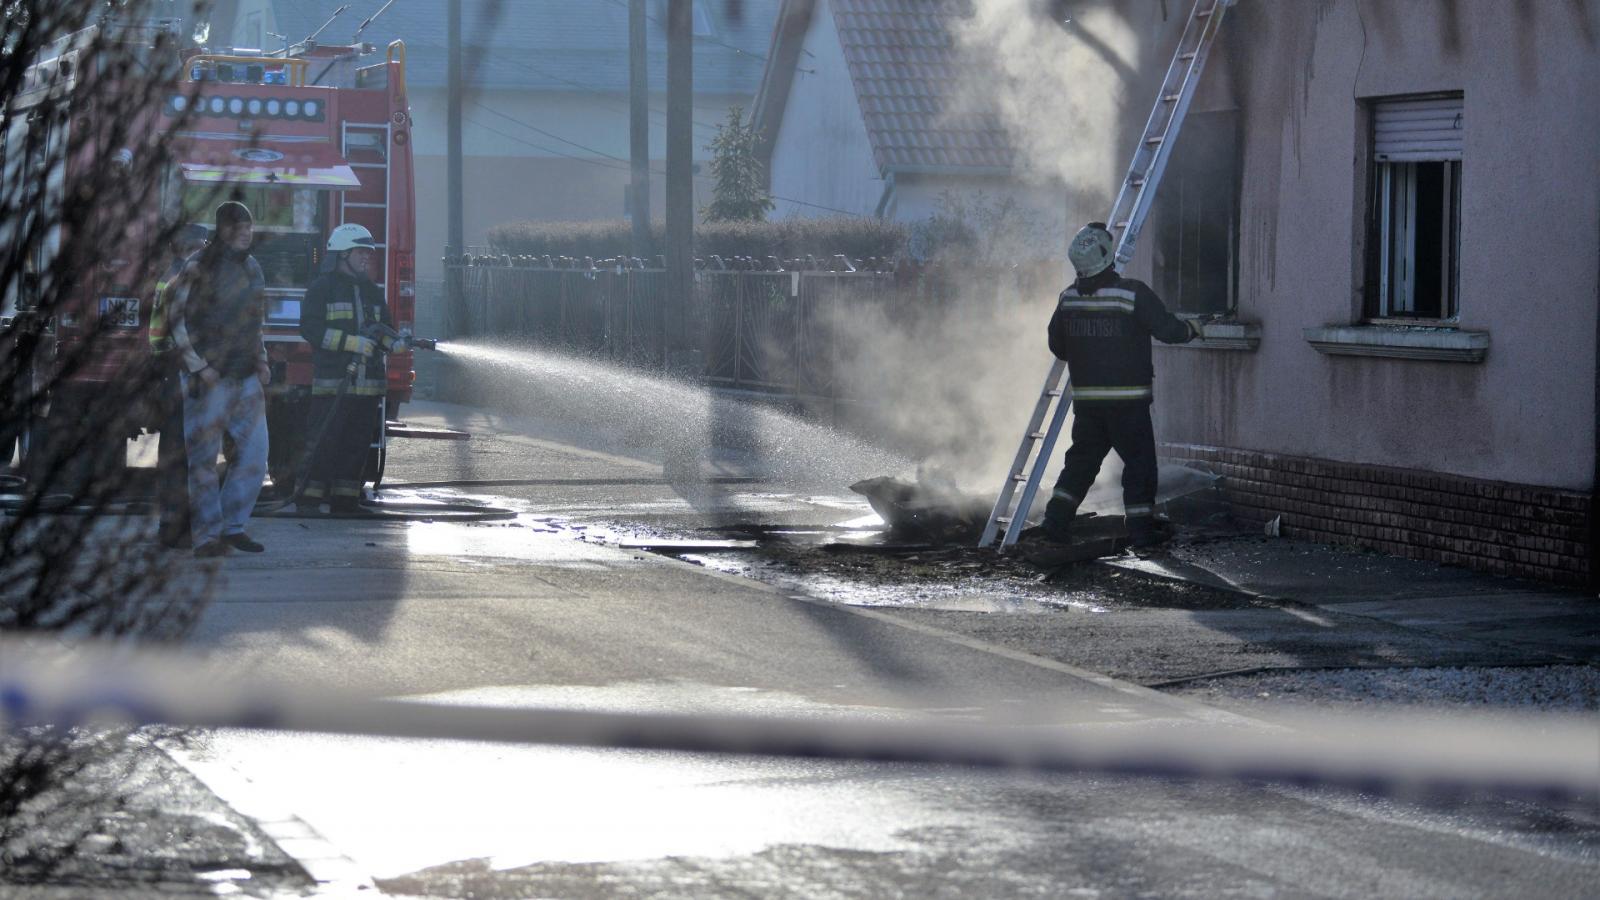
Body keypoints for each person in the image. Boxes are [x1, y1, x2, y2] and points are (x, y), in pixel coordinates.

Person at [1025, 222, 1203, 550]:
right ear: (1107, 257)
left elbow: (1059, 347)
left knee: (1080, 464)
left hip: (1089, 406)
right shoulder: (1131, 294)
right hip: (1128, 405)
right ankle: (1141, 533)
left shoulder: (1068, 299)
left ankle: (1054, 523)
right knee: (1139, 467)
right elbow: (1168, 330)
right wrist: (1193, 328)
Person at [170, 201, 270, 557]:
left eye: (249, 228)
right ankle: (207, 538)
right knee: (203, 462)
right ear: (223, 229)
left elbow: (254, 319)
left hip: (244, 378)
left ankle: (232, 527)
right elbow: (177, 320)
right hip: (207, 381)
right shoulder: (196, 268)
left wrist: (262, 359)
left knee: (256, 456)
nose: (246, 234)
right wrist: (200, 367)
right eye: (239, 228)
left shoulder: (252, 268)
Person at [296, 223, 400, 514]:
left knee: (356, 446)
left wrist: (393, 343)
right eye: (360, 252)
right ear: (342, 255)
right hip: (333, 384)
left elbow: (386, 328)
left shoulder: (371, 291)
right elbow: (311, 329)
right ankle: (308, 499)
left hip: (368, 387)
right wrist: (350, 343)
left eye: (369, 253)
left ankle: (345, 501)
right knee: (324, 442)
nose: (367, 258)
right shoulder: (322, 288)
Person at [149, 223, 210, 549]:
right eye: (202, 244)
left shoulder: (171, 277)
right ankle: (181, 527)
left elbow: (156, 335)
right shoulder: (186, 280)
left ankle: (173, 526)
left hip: (173, 373)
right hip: (187, 372)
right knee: (187, 451)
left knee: (176, 451)